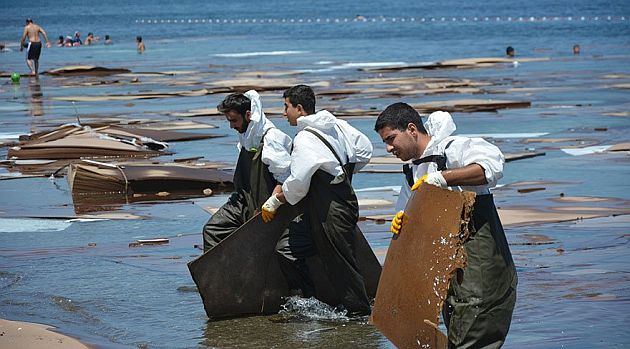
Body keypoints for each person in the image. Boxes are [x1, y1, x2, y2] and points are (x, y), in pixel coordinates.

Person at [374, 102, 517, 348]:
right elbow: (407, 205)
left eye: (391, 139)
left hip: (481, 256)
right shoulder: (412, 170)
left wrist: (443, 178)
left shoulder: (453, 148)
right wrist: (401, 220)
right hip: (447, 262)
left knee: (477, 319)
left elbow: (491, 167)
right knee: (457, 319)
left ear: (411, 129)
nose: (388, 148)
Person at [261, 84, 374, 316]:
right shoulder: (337, 125)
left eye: (286, 107)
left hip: (331, 210)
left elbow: (299, 184)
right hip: (338, 203)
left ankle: (359, 314)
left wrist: (277, 199)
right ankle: (312, 302)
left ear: (300, 109)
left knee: (341, 263)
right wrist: (342, 171)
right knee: (287, 249)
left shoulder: (304, 138)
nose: (284, 113)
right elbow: (364, 149)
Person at [202, 90, 292, 252]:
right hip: (243, 200)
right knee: (213, 230)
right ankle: (221, 275)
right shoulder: (247, 134)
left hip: (268, 204)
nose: (232, 126)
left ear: (248, 114)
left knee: (263, 247)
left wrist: (272, 202)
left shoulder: (271, 138)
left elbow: (285, 176)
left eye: (234, 121)